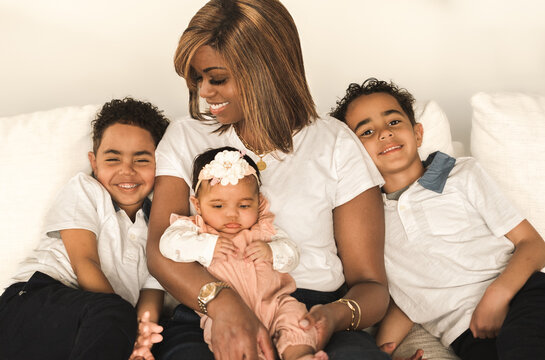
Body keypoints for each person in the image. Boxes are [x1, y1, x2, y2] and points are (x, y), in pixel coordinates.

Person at [146, 1, 390, 359]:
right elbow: (159, 250)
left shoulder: (333, 141)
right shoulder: (186, 138)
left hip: (310, 314)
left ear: (265, 71)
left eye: (217, 79)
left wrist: (332, 317)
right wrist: (223, 304)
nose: (204, 93)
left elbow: (372, 286)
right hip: (209, 311)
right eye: (197, 79)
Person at [330, 77, 545, 360]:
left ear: (418, 134)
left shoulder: (461, 174)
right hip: (465, 334)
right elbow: (408, 297)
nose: (384, 133)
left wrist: (498, 294)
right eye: (367, 131)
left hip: (520, 296)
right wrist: (384, 352)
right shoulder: (366, 219)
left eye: (393, 122)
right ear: (353, 155)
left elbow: (532, 243)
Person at [0, 97, 170, 360]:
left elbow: (153, 287)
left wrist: (142, 334)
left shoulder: (161, 223)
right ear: (94, 162)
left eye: (142, 160)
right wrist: (124, 328)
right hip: (36, 301)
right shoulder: (85, 190)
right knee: (113, 314)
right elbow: (84, 262)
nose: (127, 170)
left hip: (97, 326)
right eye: (113, 159)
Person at [159, 146, 328, 360]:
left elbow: (292, 255)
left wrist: (272, 251)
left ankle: (300, 355)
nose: (232, 215)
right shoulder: (196, 230)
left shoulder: (265, 230)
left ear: (259, 203)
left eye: (244, 205)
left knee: (296, 319)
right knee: (233, 343)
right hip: (223, 315)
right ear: (198, 205)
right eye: (218, 205)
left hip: (275, 304)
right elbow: (167, 244)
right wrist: (206, 246)